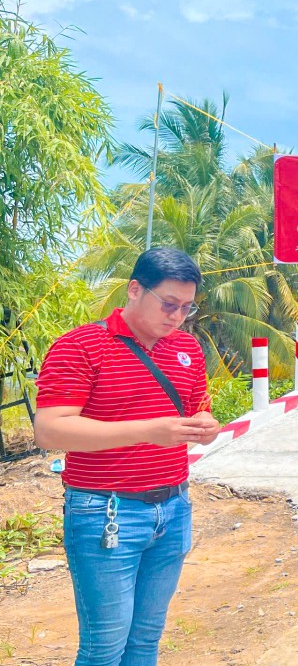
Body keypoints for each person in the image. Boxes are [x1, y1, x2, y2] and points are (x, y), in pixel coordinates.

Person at [34, 247, 221, 665]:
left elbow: (199, 408)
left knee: (146, 638)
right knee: (104, 646)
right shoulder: (81, 345)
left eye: (186, 308)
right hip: (105, 509)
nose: (177, 317)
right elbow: (49, 429)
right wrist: (148, 431)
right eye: (168, 304)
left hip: (173, 506)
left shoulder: (187, 348)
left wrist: (206, 425)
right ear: (135, 289)